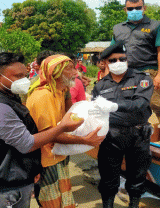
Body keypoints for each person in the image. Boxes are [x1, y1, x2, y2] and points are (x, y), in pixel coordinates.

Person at [0, 52, 88, 208]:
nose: (25, 81)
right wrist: (63, 127)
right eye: (18, 76)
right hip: (4, 186)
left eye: (25, 75)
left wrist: (31, 168)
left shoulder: (0, 94)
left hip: (11, 174)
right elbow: (27, 143)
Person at [26, 54, 104, 208]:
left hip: (58, 155)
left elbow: (66, 119)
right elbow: (52, 136)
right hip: (46, 160)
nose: (76, 72)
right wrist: (85, 141)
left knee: (64, 199)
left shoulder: (59, 91)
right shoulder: (43, 96)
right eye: (69, 69)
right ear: (55, 73)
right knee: (52, 202)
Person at [112, 0, 160, 151]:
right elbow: (112, 53)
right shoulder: (118, 29)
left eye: (137, 8)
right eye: (130, 9)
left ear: (144, 8)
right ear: (125, 10)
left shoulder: (155, 26)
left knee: (158, 105)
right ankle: (131, 138)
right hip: (125, 74)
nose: (134, 11)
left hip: (147, 73)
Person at [92, 41, 154, 208]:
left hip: (138, 135)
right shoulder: (100, 86)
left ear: (127, 59)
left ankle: (134, 205)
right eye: (113, 60)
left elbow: (141, 104)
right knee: (108, 177)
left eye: (122, 59)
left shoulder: (142, 79)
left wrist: (115, 107)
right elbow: (95, 112)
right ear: (105, 63)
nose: (118, 63)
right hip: (111, 137)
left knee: (137, 177)